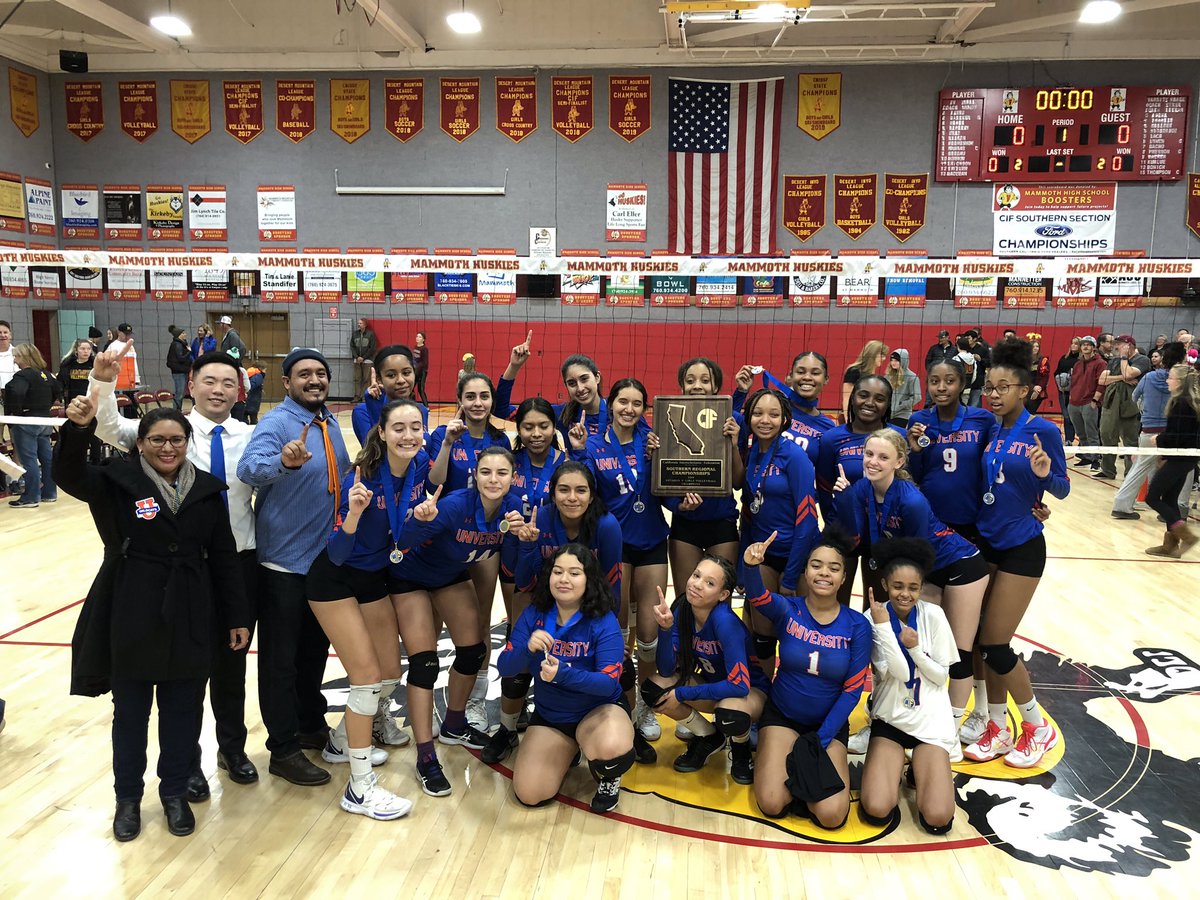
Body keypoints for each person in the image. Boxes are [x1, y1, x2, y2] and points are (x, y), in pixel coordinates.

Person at [54, 405, 249, 842]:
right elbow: (68, 473)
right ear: (140, 443)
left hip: (193, 610)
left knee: (183, 711)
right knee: (130, 713)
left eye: (176, 440)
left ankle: (175, 793)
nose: (167, 447)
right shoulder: (116, 481)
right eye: (157, 440)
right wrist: (79, 426)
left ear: (187, 444)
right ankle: (127, 799)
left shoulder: (207, 490)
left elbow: (223, 556)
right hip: (132, 608)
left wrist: (236, 615)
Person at [89, 349, 263, 797]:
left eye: (229, 382)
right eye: (210, 381)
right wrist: (103, 382)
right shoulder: (169, 433)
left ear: (238, 390)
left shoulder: (251, 435)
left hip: (236, 560)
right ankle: (186, 766)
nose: (219, 389)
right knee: (183, 674)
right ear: (192, 386)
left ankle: (233, 749)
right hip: (181, 571)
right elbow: (109, 426)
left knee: (231, 667)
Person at [308, 400, 427, 820]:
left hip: (373, 579)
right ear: (381, 432)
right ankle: (359, 790)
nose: (408, 435)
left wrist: (422, 519)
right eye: (399, 428)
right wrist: (354, 514)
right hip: (335, 580)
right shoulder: (361, 479)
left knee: (390, 672)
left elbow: (401, 531)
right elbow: (338, 552)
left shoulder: (419, 469)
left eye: (416, 426)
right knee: (365, 680)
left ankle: (340, 743)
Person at [237, 348, 350, 788]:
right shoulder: (277, 423)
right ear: (287, 382)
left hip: (323, 562)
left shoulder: (330, 421)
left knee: (313, 654)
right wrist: (282, 463)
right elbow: (250, 469)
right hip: (283, 562)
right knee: (280, 663)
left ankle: (309, 724)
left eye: (320, 374)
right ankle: (282, 749)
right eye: (304, 374)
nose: (315, 380)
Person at [389, 446, 526, 796]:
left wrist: (528, 540)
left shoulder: (513, 512)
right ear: (474, 476)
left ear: (513, 478)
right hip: (411, 576)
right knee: (424, 663)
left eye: (501, 473)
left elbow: (517, 561)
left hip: (449, 575)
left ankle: (453, 723)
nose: (493, 479)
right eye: (485, 472)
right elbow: (400, 542)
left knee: (472, 650)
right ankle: (425, 756)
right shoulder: (453, 506)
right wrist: (418, 518)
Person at [833, 428, 988, 736]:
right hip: (922, 569)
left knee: (954, 649)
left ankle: (948, 729)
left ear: (899, 461)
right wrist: (842, 495)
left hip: (958, 566)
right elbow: (852, 532)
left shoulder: (912, 501)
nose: (873, 462)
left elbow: (915, 559)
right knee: (897, 647)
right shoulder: (863, 488)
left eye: (883, 457)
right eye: (869, 454)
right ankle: (890, 717)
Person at [962, 338, 1069, 768]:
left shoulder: (1042, 431)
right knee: (978, 644)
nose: (994, 393)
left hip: (1022, 544)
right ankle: (998, 727)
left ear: (1024, 390)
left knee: (996, 643)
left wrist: (1046, 478)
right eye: (990, 386)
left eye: (1004, 387)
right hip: (986, 540)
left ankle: (1035, 727)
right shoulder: (993, 427)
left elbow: (1061, 487)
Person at [485, 461, 623, 764]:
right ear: (552, 493)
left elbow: (612, 579)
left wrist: (612, 626)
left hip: (591, 603)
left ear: (591, 494)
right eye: (563, 489)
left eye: (580, 490)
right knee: (521, 655)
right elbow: (523, 581)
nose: (571, 497)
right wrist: (528, 546)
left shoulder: (606, 525)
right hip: (542, 598)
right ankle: (508, 728)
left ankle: (627, 726)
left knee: (609, 660)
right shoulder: (540, 519)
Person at [743, 528, 870, 826]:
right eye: (816, 565)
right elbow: (758, 598)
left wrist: (819, 740)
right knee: (772, 803)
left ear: (843, 578)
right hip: (783, 716)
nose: (824, 572)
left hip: (826, 726)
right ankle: (784, 769)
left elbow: (852, 691)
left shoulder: (857, 625)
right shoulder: (789, 609)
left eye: (834, 568)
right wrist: (751, 566)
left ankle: (800, 773)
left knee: (832, 815)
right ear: (805, 571)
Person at [569, 378, 668, 763]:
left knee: (649, 633)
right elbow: (581, 492)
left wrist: (663, 459)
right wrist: (578, 453)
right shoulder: (592, 444)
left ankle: (644, 707)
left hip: (653, 539)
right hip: (614, 544)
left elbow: (669, 485)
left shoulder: (654, 440)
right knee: (618, 631)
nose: (629, 408)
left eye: (637, 403)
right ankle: (620, 704)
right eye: (623, 401)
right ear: (610, 405)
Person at [497, 544, 633, 813]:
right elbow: (505, 668)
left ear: (589, 580)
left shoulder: (603, 621)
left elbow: (608, 684)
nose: (564, 579)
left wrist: (564, 675)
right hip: (552, 716)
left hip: (597, 711)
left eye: (574, 573)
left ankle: (609, 778)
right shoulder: (534, 615)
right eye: (557, 572)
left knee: (612, 748)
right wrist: (527, 649)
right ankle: (568, 749)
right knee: (530, 794)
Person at [427, 370, 513, 731]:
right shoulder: (442, 434)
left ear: (493, 401)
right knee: (431, 627)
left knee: (478, 621)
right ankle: (428, 691)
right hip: (446, 540)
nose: (478, 403)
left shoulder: (500, 440)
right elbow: (434, 481)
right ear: (460, 400)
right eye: (471, 396)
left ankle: (474, 702)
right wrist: (447, 443)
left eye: (484, 396)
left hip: (486, 539)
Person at [859, 538, 957, 835]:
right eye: (898, 586)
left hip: (929, 721)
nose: (905, 594)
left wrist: (915, 650)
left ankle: (920, 766)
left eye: (913, 588)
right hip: (892, 718)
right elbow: (897, 674)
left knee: (938, 818)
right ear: (886, 584)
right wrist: (884, 627)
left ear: (921, 587)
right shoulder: (872, 618)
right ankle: (895, 761)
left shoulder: (934, 616)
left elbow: (941, 677)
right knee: (876, 808)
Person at [643, 556, 768, 784]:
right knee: (655, 689)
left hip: (750, 694)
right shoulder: (683, 610)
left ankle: (741, 753)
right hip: (716, 689)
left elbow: (739, 686)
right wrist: (665, 629)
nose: (697, 584)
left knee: (729, 713)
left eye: (710, 583)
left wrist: (681, 694)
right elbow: (666, 668)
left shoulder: (725, 622)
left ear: (723, 596)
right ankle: (709, 736)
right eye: (696, 575)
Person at [736, 387, 821, 672]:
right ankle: (765, 695)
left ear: (785, 419)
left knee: (795, 635)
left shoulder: (795, 457)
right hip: (763, 556)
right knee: (762, 634)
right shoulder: (751, 455)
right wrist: (741, 567)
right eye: (758, 413)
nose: (765, 420)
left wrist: (791, 574)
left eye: (774, 414)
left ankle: (792, 692)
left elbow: (808, 519)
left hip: (798, 556)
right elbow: (748, 513)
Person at [816, 375, 904, 603]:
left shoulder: (899, 437)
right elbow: (824, 489)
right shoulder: (832, 439)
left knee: (878, 605)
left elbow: (907, 485)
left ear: (888, 404)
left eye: (879, 398)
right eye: (863, 395)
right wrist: (836, 524)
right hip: (845, 532)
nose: (870, 403)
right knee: (835, 603)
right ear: (853, 398)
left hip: (885, 534)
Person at [663, 358, 744, 601]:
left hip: (722, 521)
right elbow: (662, 482)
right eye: (690, 381)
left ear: (716, 387)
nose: (697, 385)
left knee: (720, 600)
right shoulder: (667, 418)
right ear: (682, 386)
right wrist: (679, 505)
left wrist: (733, 445)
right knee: (686, 600)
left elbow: (739, 482)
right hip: (685, 523)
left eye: (705, 380)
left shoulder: (733, 420)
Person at [1113, 342, 1190, 520]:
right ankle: (1178, 508)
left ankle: (1121, 506)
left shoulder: (1149, 378)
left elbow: (1134, 397)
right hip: (1174, 432)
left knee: (1140, 467)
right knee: (1183, 468)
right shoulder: (1185, 380)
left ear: (1163, 359)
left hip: (1149, 429)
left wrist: (1146, 411)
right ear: (1183, 358)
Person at [1145, 364, 1200, 558]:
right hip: (1185, 458)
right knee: (1169, 499)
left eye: (1171, 378)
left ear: (1180, 382)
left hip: (1180, 458)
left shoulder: (1181, 403)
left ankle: (1186, 536)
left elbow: (1179, 436)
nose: (1167, 381)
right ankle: (1170, 545)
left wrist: (1159, 440)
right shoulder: (1188, 402)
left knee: (1152, 497)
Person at [4, 343, 61, 508]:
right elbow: (58, 391)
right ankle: (50, 493)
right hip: (45, 421)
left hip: (27, 421)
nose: (14, 360)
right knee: (47, 459)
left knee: (29, 460)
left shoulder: (23, 376)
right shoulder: (47, 374)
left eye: (16, 356)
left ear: (23, 357)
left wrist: (16, 412)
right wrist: (44, 407)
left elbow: (16, 392)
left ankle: (30, 496)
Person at [1097, 334, 1151, 480]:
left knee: (1130, 438)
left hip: (1131, 402)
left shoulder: (1142, 360)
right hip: (1112, 400)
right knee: (1106, 434)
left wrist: (1124, 359)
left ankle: (1130, 473)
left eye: (1120, 344)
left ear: (1129, 346)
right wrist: (1121, 378)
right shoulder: (1114, 360)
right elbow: (1102, 379)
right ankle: (1108, 470)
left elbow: (1128, 374)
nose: (1116, 347)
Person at [352, 344, 429, 443]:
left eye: (406, 373)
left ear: (414, 373)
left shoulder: (421, 410)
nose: (401, 380)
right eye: (391, 375)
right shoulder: (363, 411)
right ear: (379, 379)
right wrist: (376, 410)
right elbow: (373, 453)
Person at [1066, 336, 1105, 469]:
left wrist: (1095, 400)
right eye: (1083, 345)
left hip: (1089, 402)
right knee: (1081, 433)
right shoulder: (1078, 364)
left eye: (1089, 345)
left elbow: (1102, 383)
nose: (1085, 347)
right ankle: (1086, 456)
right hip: (1074, 403)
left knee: (1091, 433)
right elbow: (1074, 382)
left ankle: (1096, 459)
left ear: (1094, 347)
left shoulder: (1100, 363)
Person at [554, 354, 608, 443]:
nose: (580, 388)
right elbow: (525, 416)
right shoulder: (562, 413)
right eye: (572, 383)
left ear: (597, 378)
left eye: (584, 379)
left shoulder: (616, 410)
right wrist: (521, 363)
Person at [841, 340, 888, 414]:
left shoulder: (873, 374)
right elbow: (847, 397)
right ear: (872, 354)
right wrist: (848, 418)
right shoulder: (854, 371)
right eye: (881, 355)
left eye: (885, 355)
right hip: (855, 413)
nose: (884, 358)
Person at [1054, 337, 1081, 445]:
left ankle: (1081, 439)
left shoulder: (1080, 360)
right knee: (1066, 415)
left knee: (1074, 416)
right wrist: (1059, 381)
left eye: (1076, 344)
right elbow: (1056, 372)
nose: (1074, 345)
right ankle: (1068, 440)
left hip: (1076, 392)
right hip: (1063, 391)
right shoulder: (1064, 358)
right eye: (1072, 343)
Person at [885, 349, 921, 427]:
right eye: (892, 360)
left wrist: (901, 405)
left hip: (902, 415)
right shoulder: (888, 376)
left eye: (896, 360)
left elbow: (917, 397)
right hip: (887, 414)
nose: (893, 363)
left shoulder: (912, 377)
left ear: (903, 361)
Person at [350, 318, 378, 401]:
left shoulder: (370, 334)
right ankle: (357, 396)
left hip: (368, 360)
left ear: (365, 325)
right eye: (358, 323)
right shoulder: (355, 334)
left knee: (366, 379)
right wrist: (357, 357)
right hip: (357, 360)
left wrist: (363, 357)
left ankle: (364, 396)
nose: (359, 325)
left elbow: (372, 348)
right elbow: (352, 346)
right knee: (357, 378)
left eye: (360, 323)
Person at [166, 326, 193, 411]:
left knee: (181, 393)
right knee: (179, 393)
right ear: (179, 335)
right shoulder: (177, 344)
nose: (185, 334)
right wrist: (189, 352)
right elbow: (181, 358)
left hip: (182, 371)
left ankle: (178, 410)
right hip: (178, 372)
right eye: (183, 333)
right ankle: (175, 411)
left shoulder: (182, 343)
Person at [1025, 337, 1050, 414]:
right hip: (1025, 389)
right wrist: (1033, 387)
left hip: (1038, 391)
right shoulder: (1023, 360)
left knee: (1030, 413)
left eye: (1037, 346)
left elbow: (1045, 377)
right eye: (1033, 346)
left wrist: (1038, 389)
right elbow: (1022, 376)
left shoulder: (1043, 361)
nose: (1035, 348)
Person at [412, 331, 430, 404]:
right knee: (411, 388)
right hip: (415, 371)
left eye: (419, 337)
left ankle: (426, 407)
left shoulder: (424, 349)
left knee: (421, 390)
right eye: (417, 336)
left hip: (422, 372)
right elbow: (415, 359)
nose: (417, 338)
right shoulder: (415, 347)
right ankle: (413, 403)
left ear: (423, 339)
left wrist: (417, 366)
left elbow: (425, 362)